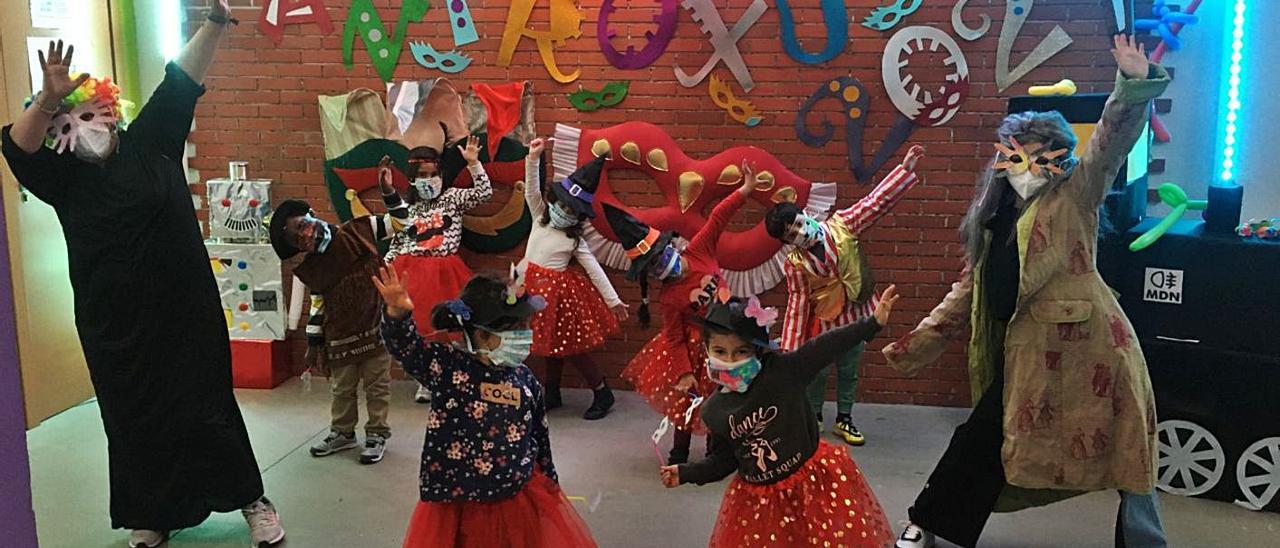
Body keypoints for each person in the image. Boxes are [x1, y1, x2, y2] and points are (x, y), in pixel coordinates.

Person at [0, 3, 284, 547]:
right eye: (66, 122)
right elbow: (18, 145)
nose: (79, 129)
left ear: (111, 110)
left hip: (184, 310)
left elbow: (183, 79)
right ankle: (151, 513)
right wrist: (47, 99)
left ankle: (252, 498)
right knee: (132, 417)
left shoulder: (151, 142)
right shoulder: (60, 179)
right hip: (114, 323)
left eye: (88, 115)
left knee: (207, 405)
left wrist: (216, 23)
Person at [886, 35, 1170, 548]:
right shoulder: (993, 217)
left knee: (1130, 450)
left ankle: (1145, 542)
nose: (1026, 165)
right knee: (983, 440)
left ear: (1059, 158)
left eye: (1041, 154)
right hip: (1026, 358)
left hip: (1091, 354)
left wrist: (1130, 86)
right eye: (1017, 153)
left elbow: (1108, 145)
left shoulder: (1075, 197)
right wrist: (917, 344)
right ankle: (928, 522)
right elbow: (969, 290)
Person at [659, 286, 900, 547]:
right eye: (720, 351)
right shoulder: (714, 410)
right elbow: (723, 460)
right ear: (706, 350)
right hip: (761, 503)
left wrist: (872, 323)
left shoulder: (783, 372)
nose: (730, 361)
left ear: (758, 351)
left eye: (741, 351)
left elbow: (825, 346)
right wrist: (687, 473)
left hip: (812, 485)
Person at [373, 268, 597, 548]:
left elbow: (539, 434)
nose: (526, 337)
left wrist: (549, 479)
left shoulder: (524, 378)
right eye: (516, 331)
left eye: (526, 328)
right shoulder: (448, 368)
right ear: (481, 335)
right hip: (460, 498)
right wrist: (397, 314)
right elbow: (407, 348)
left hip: (515, 494)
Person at [764, 145, 924, 446]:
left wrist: (904, 170)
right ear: (786, 242)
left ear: (805, 214)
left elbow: (874, 204)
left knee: (850, 369)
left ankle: (845, 418)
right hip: (823, 323)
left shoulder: (842, 225)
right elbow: (797, 306)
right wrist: (789, 351)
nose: (799, 233)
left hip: (857, 316)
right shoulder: (795, 264)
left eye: (798, 224)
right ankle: (813, 416)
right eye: (791, 234)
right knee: (819, 372)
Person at [604, 167, 762, 464]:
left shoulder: (699, 250)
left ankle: (718, 450)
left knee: (726, 396)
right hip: (697, 349)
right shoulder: (668, 297)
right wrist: (685, 372)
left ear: (670, 247)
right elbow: (674, 338)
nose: (661, 266)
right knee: (690, 401)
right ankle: (680, 451)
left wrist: (746, 189)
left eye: (661, 257)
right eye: (652, 267)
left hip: (729, 335)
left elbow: (718, 218)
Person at [268, 165, 408, 464]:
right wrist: (314, 342)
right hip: (340, 333)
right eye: (297, 237)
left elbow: (401, 222)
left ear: (310, 215)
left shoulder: (359, 229)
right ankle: (343, 433)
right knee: (342, 387)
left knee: (377, 384)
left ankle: (377, 433)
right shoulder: (313, 267)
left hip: (375, 325)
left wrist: (388, 192)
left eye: (303, 224)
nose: (306, 234)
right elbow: (318, 304)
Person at [521, 138, 628, 420]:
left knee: (571, 348)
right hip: (530, 292)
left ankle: (602, 391)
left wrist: (613, 301)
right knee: (547, 345)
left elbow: (594, 270)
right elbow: (531, 192)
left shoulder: (574, 241)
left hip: (558, 296)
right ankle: (551, 391)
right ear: (554, 201)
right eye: (562, 206)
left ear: (580, 217)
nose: (564, 212)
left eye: (572, 211)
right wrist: (533, 158)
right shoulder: (538, 218)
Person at [384, 133, 492, 405]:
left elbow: (484, 193)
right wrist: (388, 264)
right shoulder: (406, 207)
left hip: (447, 270)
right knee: (422, 329)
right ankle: (427, 380)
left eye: (434, 173)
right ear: (412, 177)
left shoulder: (453, 197)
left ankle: (462, 375)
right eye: (423, 174)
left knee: (456, 328)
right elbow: (399, 240)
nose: (429, 178)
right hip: (413, 270)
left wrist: (473, 163)